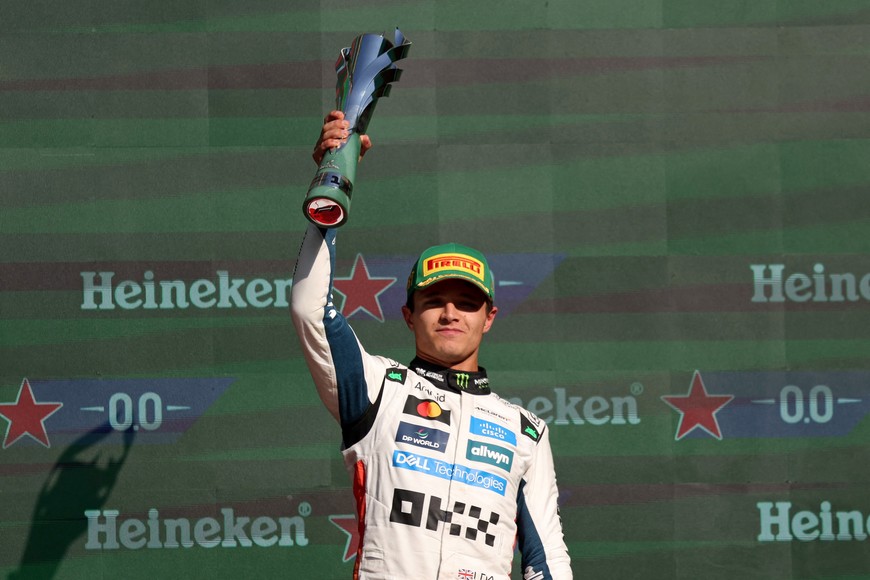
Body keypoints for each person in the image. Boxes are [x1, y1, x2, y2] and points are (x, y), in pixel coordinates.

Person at [291, 111, 572, 579]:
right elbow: (310, 311)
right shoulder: (378, 389)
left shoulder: (525, 431)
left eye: (466, 302)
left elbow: (547, 562)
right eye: (434, 300)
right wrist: (330, 194)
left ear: (489, 319)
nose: (449, 313)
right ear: (408, 315)